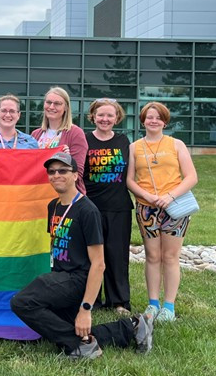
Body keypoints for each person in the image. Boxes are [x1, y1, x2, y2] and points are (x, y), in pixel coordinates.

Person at [10, 152, 154, 360]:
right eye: (52, 171)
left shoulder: (88, 211)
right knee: (68, 329)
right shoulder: (54, 206)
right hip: (61, 276)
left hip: (78, 280)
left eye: (63, 171)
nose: (56, 175)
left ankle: (82, 347)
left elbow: (98, 264)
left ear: (76, 175)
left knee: (22, 302)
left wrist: (86, 308)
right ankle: (134, 326)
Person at [127, 102, 198, 323]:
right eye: (149, 117)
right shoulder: (134, 147)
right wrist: (148, 197)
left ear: (164, 121)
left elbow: (191, 177)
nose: (153, 121)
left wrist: (170, 196)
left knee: (170, 256)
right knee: (152, 256)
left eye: (158, 117)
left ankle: (169, 306)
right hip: (146, 209)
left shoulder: (176, 144)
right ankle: (153, 303)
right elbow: (129, 179)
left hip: (174, 209)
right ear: (143, 120)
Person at [83, 98, 134, 315]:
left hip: (119, 207)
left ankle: (119, 301)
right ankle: (91, 300)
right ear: (93, 116)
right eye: (100, 115)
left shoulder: (124, 141)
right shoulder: (84, 141)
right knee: (89, 256)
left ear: (117, 118)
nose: (105, 119)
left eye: (109, 115)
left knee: (117, 255)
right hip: (90, 207)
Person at [31, 87, 87, 193]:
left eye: (57, 103)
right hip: (40, 195)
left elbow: (78, 175)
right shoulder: (35, 134)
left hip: (65, 197)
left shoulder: (75, 133)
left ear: (66, 107)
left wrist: (69, 160)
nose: (52, 107)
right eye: (49, 102)